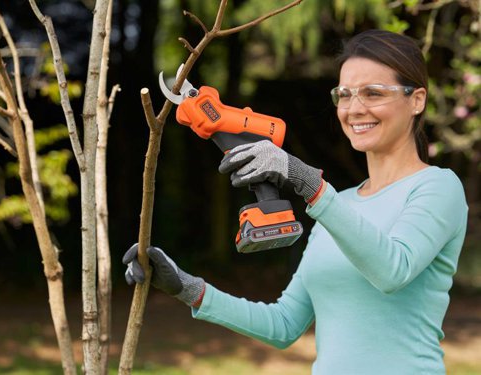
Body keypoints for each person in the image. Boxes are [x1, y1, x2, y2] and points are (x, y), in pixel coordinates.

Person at [123, 29, 468, 374]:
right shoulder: (340, 206)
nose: (355, 108)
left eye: (373, 93)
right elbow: (285, 323)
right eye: (344, 95)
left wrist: (306, 181)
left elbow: (393, 270)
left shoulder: (437, 188)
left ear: (417, 99)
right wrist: (187, 287)